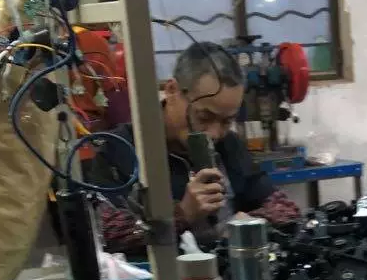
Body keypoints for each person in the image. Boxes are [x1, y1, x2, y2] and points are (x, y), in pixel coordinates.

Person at [96, 42, 300, 254]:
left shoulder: (229, 145)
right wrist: (182, 214)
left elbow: (285, 209)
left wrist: (251, 223)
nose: (214, 133)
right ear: (172, 91)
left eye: (226, 121)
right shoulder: (118, 149)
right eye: (204, 117)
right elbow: (106, 234)